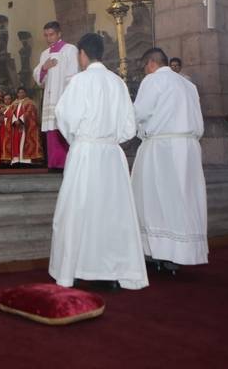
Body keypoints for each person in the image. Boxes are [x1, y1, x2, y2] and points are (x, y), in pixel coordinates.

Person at [48, 33, 148, 290]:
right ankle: (114, 271)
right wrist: (109, 139)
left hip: (85, 153)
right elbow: (129, 127)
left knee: (79, 211)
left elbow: (63, 116)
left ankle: (76, 270)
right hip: (112, 156)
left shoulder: (79, 82)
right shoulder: (117, 83)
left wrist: (78, 140)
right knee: (112, 213)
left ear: (82, 54)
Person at [131, 47, 208, 273]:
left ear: (151, 64)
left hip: (162, 148)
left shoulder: (153, 80)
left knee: (156, 199)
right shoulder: (188, 85)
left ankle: (158, 251)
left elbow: (139, 113)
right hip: (189, 148)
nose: (146, 72)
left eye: (145, 68)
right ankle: (182, 253)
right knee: (184, 199)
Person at [33, 21, 79, 171]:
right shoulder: (44, 54)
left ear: (59, 34)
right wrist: (44, 69)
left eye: (51, 34)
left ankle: (65, 162)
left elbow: (73, 74)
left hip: (63, 96)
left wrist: (67, 97)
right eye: (46, 35)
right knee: (51, 129)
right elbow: (40, 79)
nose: (48, 38)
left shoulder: (70, 50)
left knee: (62, 129)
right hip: (49, 97)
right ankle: (53, 162)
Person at [6, 86, 43, 166]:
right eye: (19, 92)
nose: (20, 94)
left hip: (26, 127)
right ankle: (16, 160)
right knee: (16, 142)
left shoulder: (30, 102)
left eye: (22, 92)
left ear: (25, 93)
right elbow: (10, 113)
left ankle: (26, 160)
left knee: (25, 141)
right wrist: (14, 121)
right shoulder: (14, 103)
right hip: (15, 126)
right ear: (17, 94)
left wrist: (20, 120)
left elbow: (30, 112)